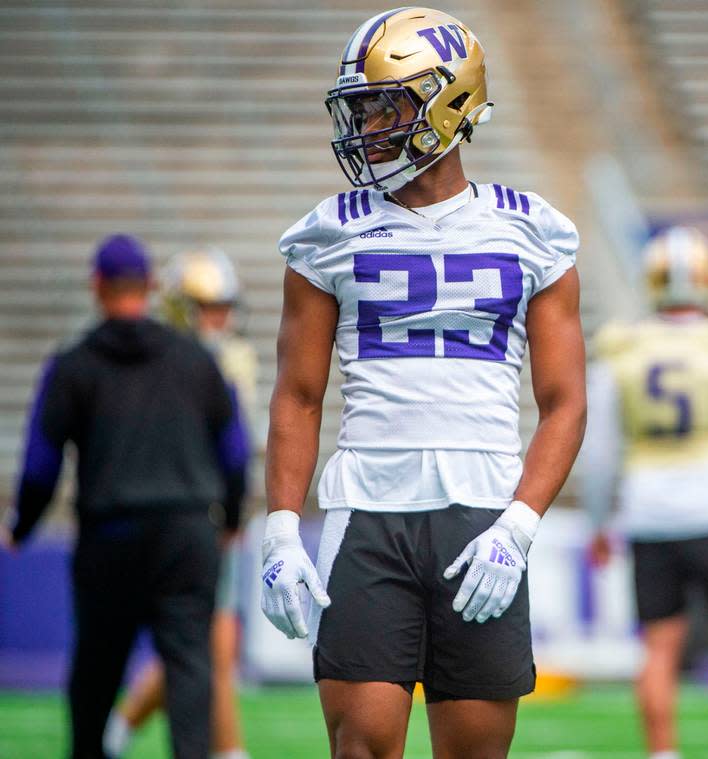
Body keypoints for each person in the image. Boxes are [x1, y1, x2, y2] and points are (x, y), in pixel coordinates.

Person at [256, 8, 586, 759]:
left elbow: (565, 403)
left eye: (385, 104)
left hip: (483, 517)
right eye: (362, 107)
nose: (367, 125)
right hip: (368, 513)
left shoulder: (535, 230)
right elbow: (297, 394)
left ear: (450, 104)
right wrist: (281, 526)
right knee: (361, 748)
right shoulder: (327, 231)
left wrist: (519, 527)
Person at [4, 234, 247, 759]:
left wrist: (22, 526)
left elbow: (41, 464)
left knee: (95, 671)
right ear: (151, 286)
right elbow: (234, 450)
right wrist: (229, 517)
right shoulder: (197, 361)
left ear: (97, 286)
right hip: (187, 534)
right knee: (189, 670)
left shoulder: (73, 365)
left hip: (109, 536)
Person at [582, 227, 708, 759]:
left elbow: (600, 451)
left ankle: (662, 752)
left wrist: (601, 521)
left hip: (647, 508)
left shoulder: (621, 345)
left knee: (659, 642)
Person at [105, 248, 255, 759]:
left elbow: (234, 447)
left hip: (212, 513)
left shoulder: (227, 359)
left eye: (223, 306)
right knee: (204, 642)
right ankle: (226, 749)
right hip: (181, 517)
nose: (221, 318)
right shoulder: (168, 362)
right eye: (208, 307)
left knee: (205, 642)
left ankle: (118, 726)